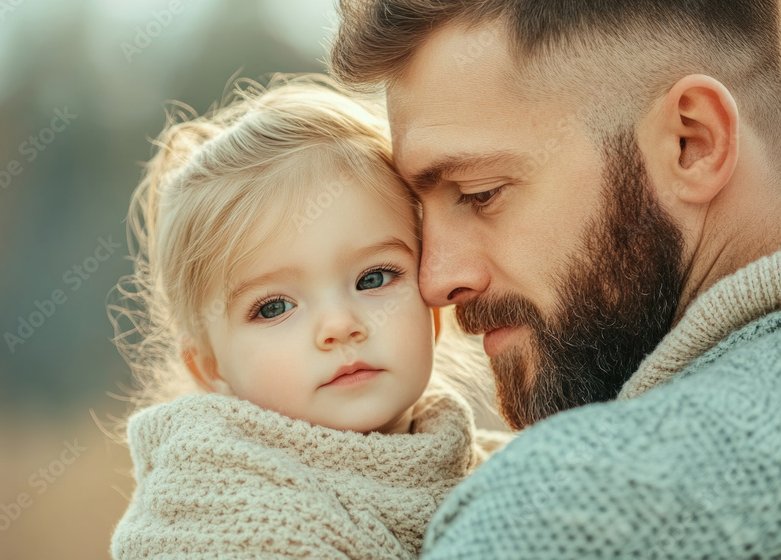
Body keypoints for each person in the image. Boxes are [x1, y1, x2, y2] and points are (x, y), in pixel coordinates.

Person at [330, 0, 781, 558]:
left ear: (693, 142)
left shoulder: (566, 509)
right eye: (422, 215)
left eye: (479, 193)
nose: (433, 281)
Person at [107, 74, 509, 559]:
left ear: (433, 313)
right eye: (274, 308)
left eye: (375, 278)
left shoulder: (505, 473)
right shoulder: (221, 514)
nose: (340, 326)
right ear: (210, 367)